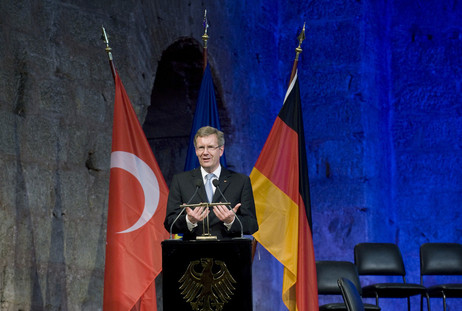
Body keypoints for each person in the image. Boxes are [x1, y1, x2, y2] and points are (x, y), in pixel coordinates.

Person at [164, 126, 258, 240]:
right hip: (192, 254)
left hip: (229, 254)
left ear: (221, 150)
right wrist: (189, 221)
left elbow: (252, 225)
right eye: (201, 147)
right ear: (196, 151)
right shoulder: (180, 181)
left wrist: (231, 221)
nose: (205, 152)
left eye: (210, 147)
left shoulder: (240, 182)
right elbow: (169, 223)